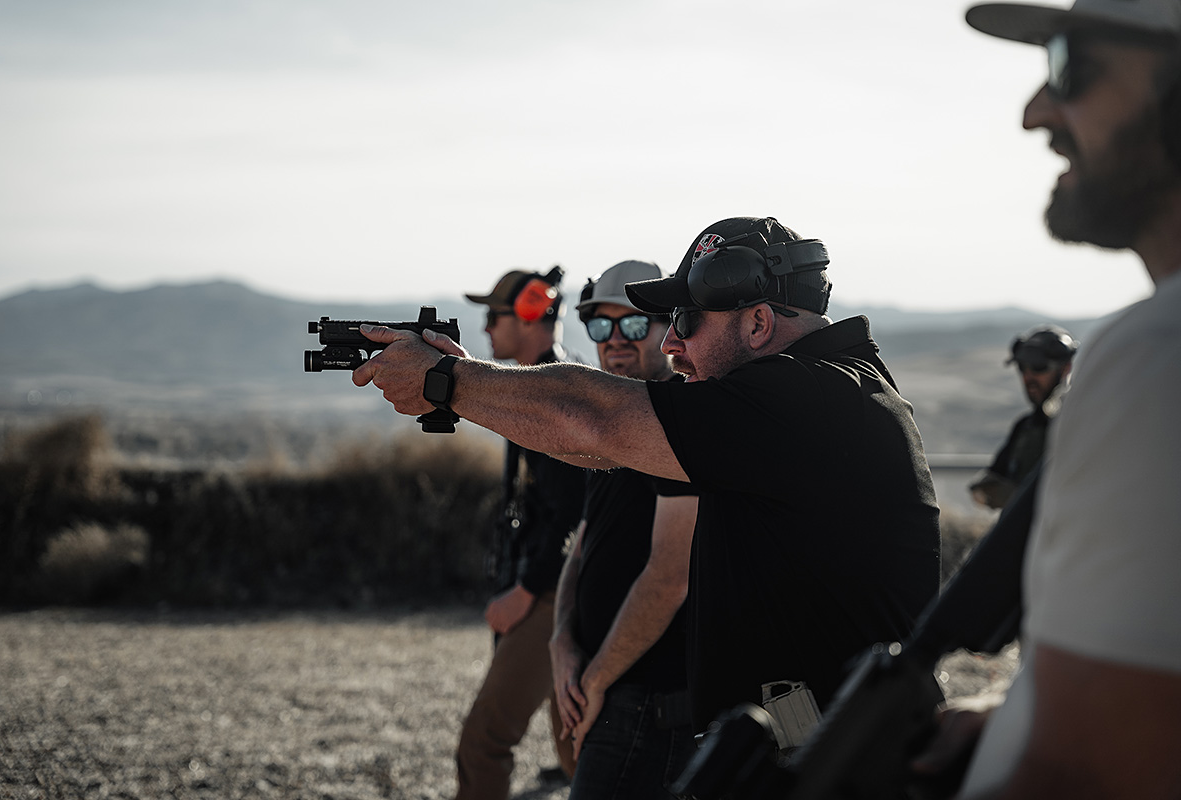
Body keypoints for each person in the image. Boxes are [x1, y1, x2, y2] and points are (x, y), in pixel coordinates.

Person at [351, 216, 941, 734]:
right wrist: (473, 387)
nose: (673, 342)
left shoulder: (808, 398)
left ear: (758, 324)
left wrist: (449, 383)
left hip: (837, 756)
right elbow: (595, 447)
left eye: (686, 318)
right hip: (813, 743)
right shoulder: (819, 393)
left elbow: (594, 419)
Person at [911, 2, 1181, 796]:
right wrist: (1019, 714)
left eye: (1073, 69)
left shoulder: (1154, 356)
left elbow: (1085, 774)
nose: (1036, 113)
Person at [548, 259, 699, 799]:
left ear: (669, 330)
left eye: (632, 324)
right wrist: (562, 638)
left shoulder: (679, 421)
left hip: (648, 702)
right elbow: (586, 540)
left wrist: (596, 680)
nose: (614, 339)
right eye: (599, 325)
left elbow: (670, 578)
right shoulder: (615, 423)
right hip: (605, 686)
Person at [454, 266, 587, 800]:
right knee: (579, 750)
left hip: (550, 591)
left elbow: (571, 512)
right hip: (554, 586)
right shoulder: (543, 383)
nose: (486, 328)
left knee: (484, 742)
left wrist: (525, 591)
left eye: (494, 316)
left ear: (531, 313)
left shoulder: (552, 393)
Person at [968, 325, 1078, 508]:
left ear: (1066, 368)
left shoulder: (1080, 427)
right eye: (1022, 367)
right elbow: (987, 485)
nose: (1028, 377)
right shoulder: (1026, 426)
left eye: (1038, 367)